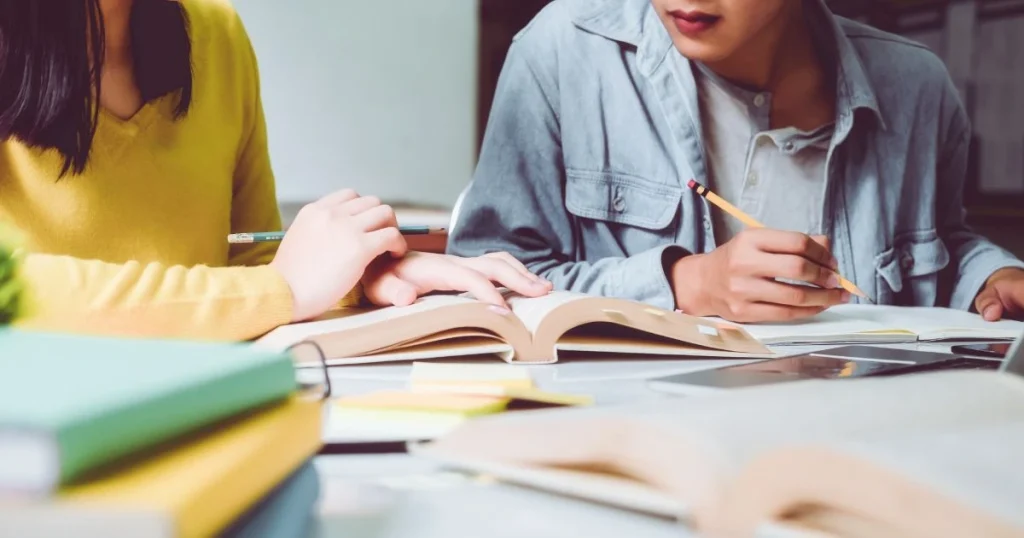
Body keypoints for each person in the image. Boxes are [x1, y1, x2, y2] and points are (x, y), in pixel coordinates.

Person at [0, 0, 551, 341]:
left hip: (202, 414)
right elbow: (13, 294)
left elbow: (255, 262)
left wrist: (361, 279)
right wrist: (280, 289)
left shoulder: (215, 32)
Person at [448, 0, 1024, 323]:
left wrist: (988, 278)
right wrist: (684, 284)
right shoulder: (561, 53)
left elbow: (943, 243)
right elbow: (478, 285)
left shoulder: (917, 86)